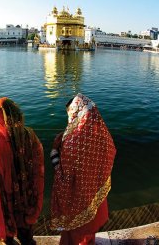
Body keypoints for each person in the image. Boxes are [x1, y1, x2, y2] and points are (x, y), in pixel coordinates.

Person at [50, 93, 116, 245]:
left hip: (77, 200)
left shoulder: (72, 142)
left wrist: (54, 149)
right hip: (95, 198)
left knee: (76, 235)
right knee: (89, 234)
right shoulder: (104, 137)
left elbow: (63, 174)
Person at [0, 97, 44, 245]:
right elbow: (38, 165)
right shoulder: (30, 135)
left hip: (5, 201)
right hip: (27, 197)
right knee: (27, 237)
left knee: (6, 238)